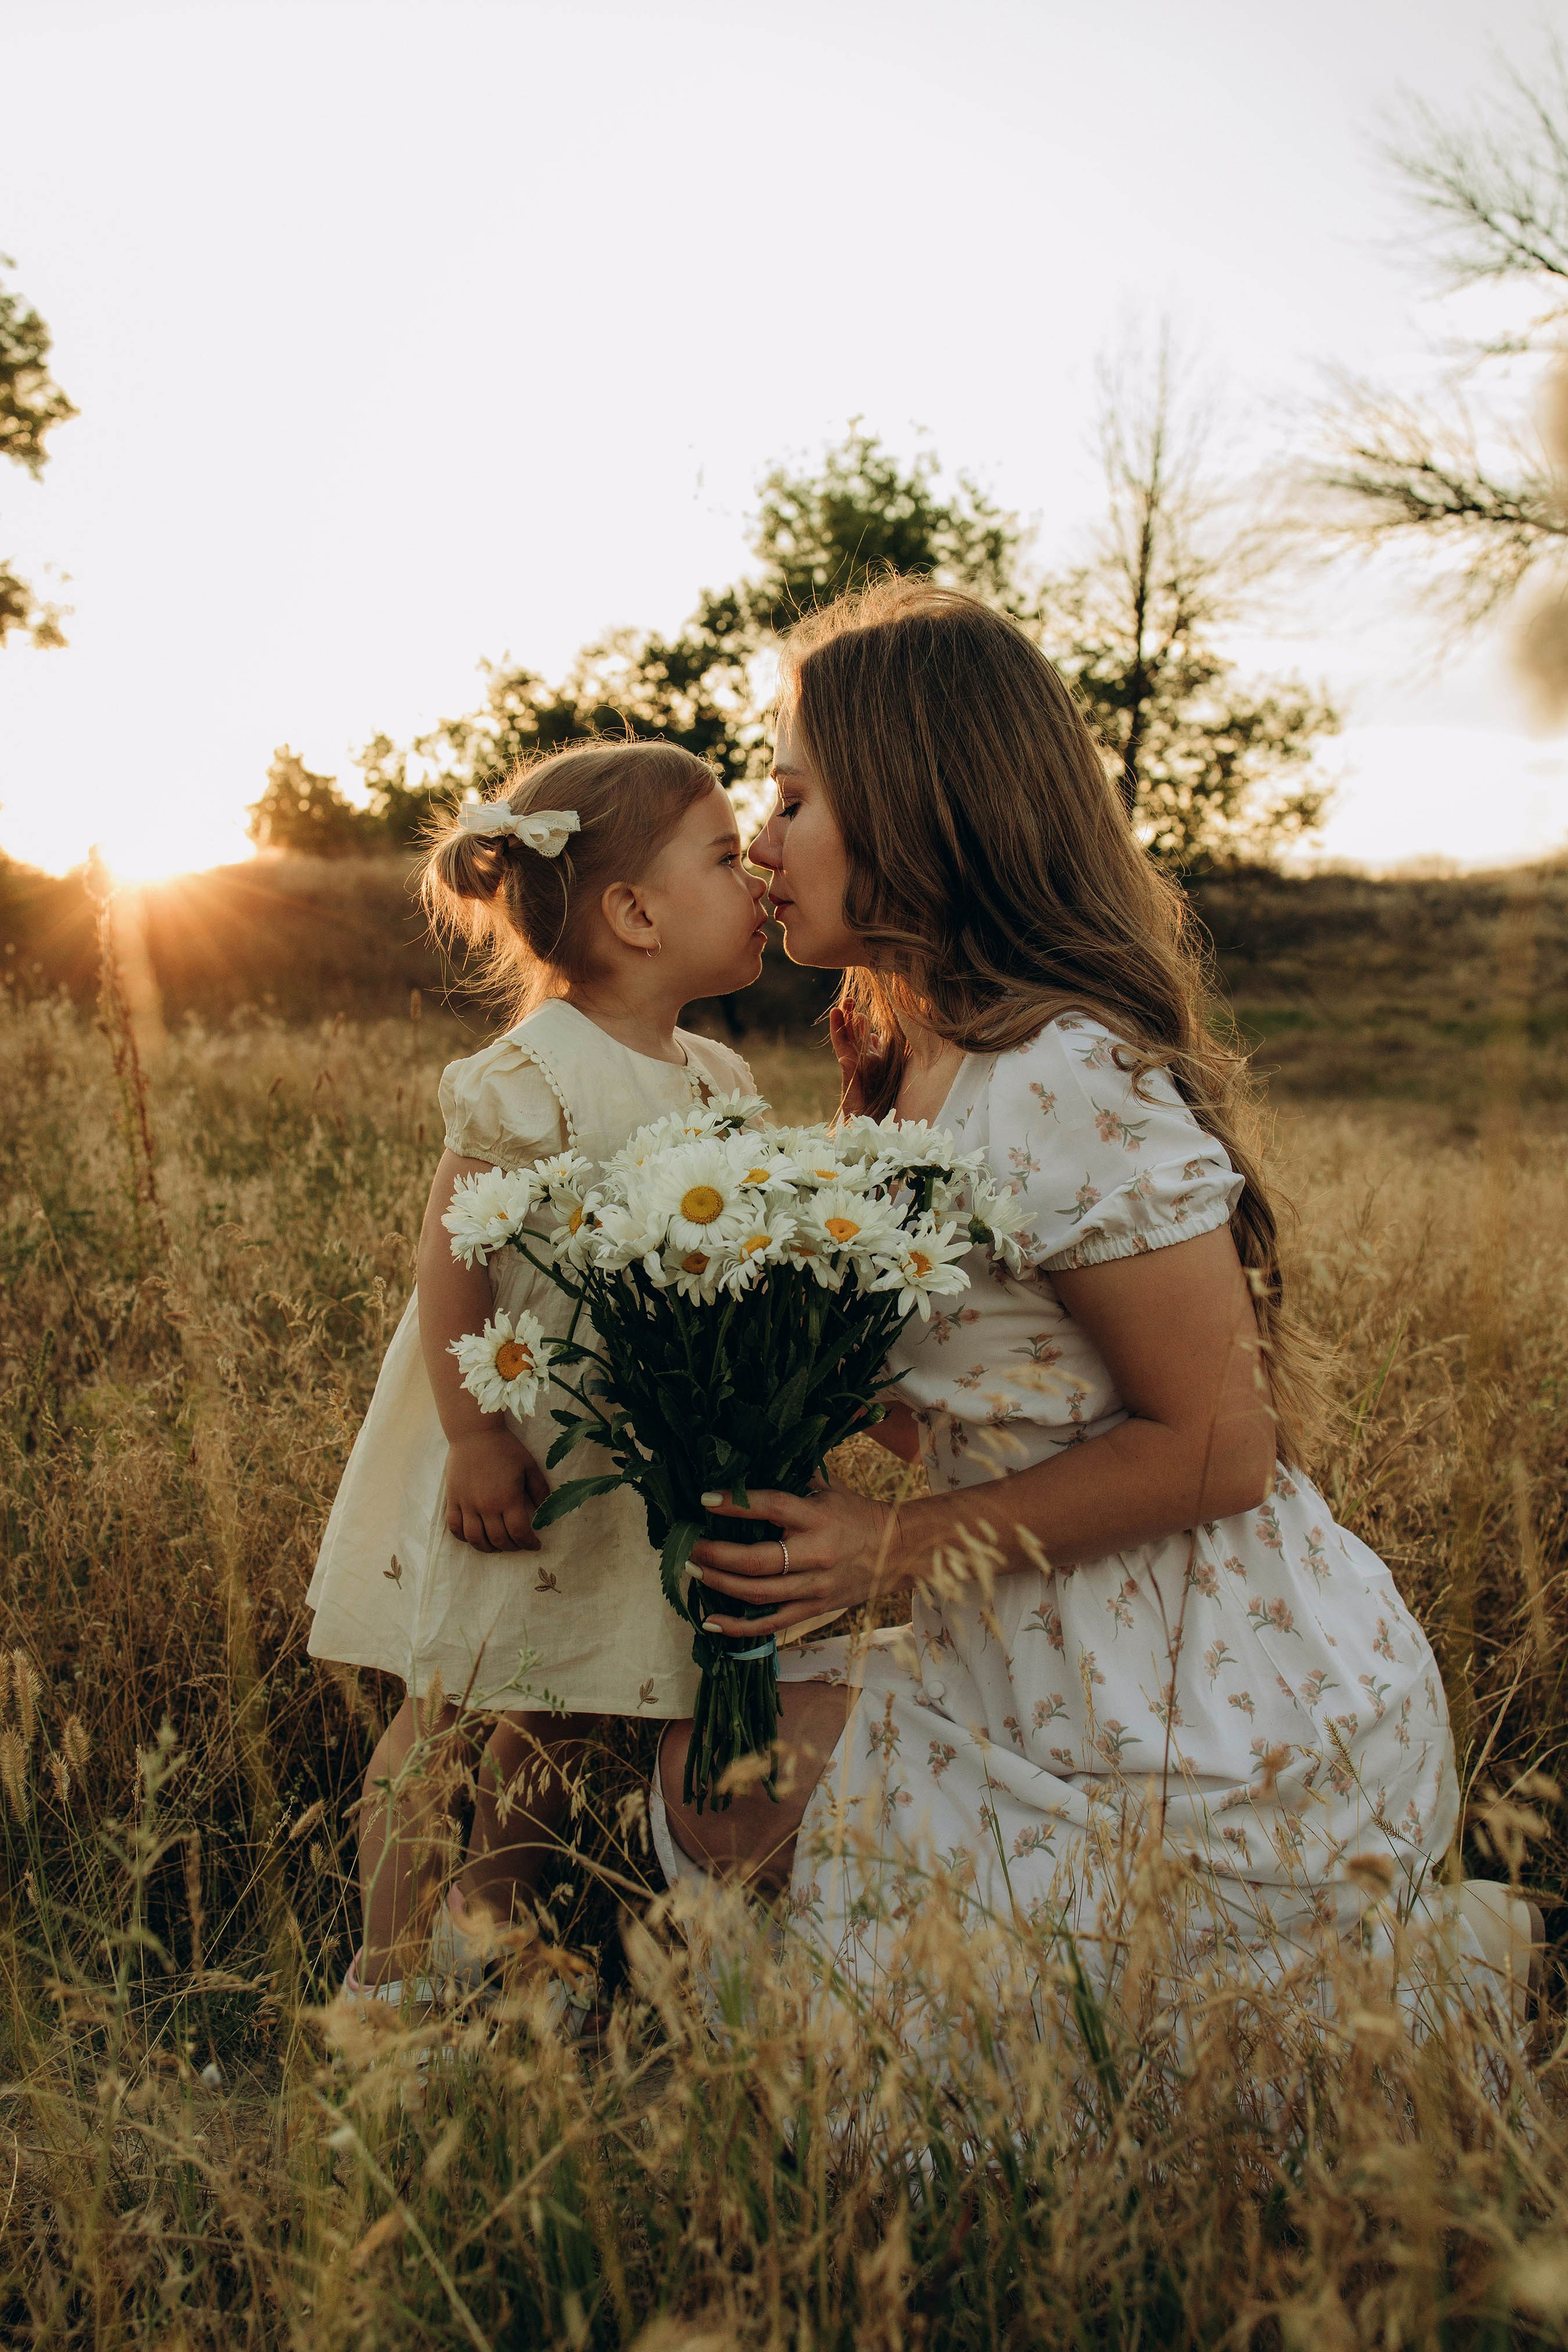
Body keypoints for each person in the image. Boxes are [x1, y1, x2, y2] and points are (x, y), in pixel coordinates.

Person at [650, 580, 1539, 2022]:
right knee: (696, 1782)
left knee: (908, 2048)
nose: (759, 836)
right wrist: (720, 1359)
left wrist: (893, 1548)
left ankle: (1452, 1973)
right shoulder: (903, 1065)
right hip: (1017, 1623)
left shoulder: (1061, 1070)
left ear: (918, 805)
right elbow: (986, 1390)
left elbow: (1214, 1446)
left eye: (794, 795)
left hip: (1198, 1695)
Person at [307, 740, 767, 2006]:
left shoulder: (717, 1079)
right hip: (516, 1448)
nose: (759, 881)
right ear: (632, 912)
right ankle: (388, 1979)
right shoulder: (536, 1075)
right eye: (727, 858)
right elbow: (455, 1257)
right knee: (448, 1714)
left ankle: (492, 1930)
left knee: (563, 1707)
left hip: (623, 1464)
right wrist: (472, 1436)